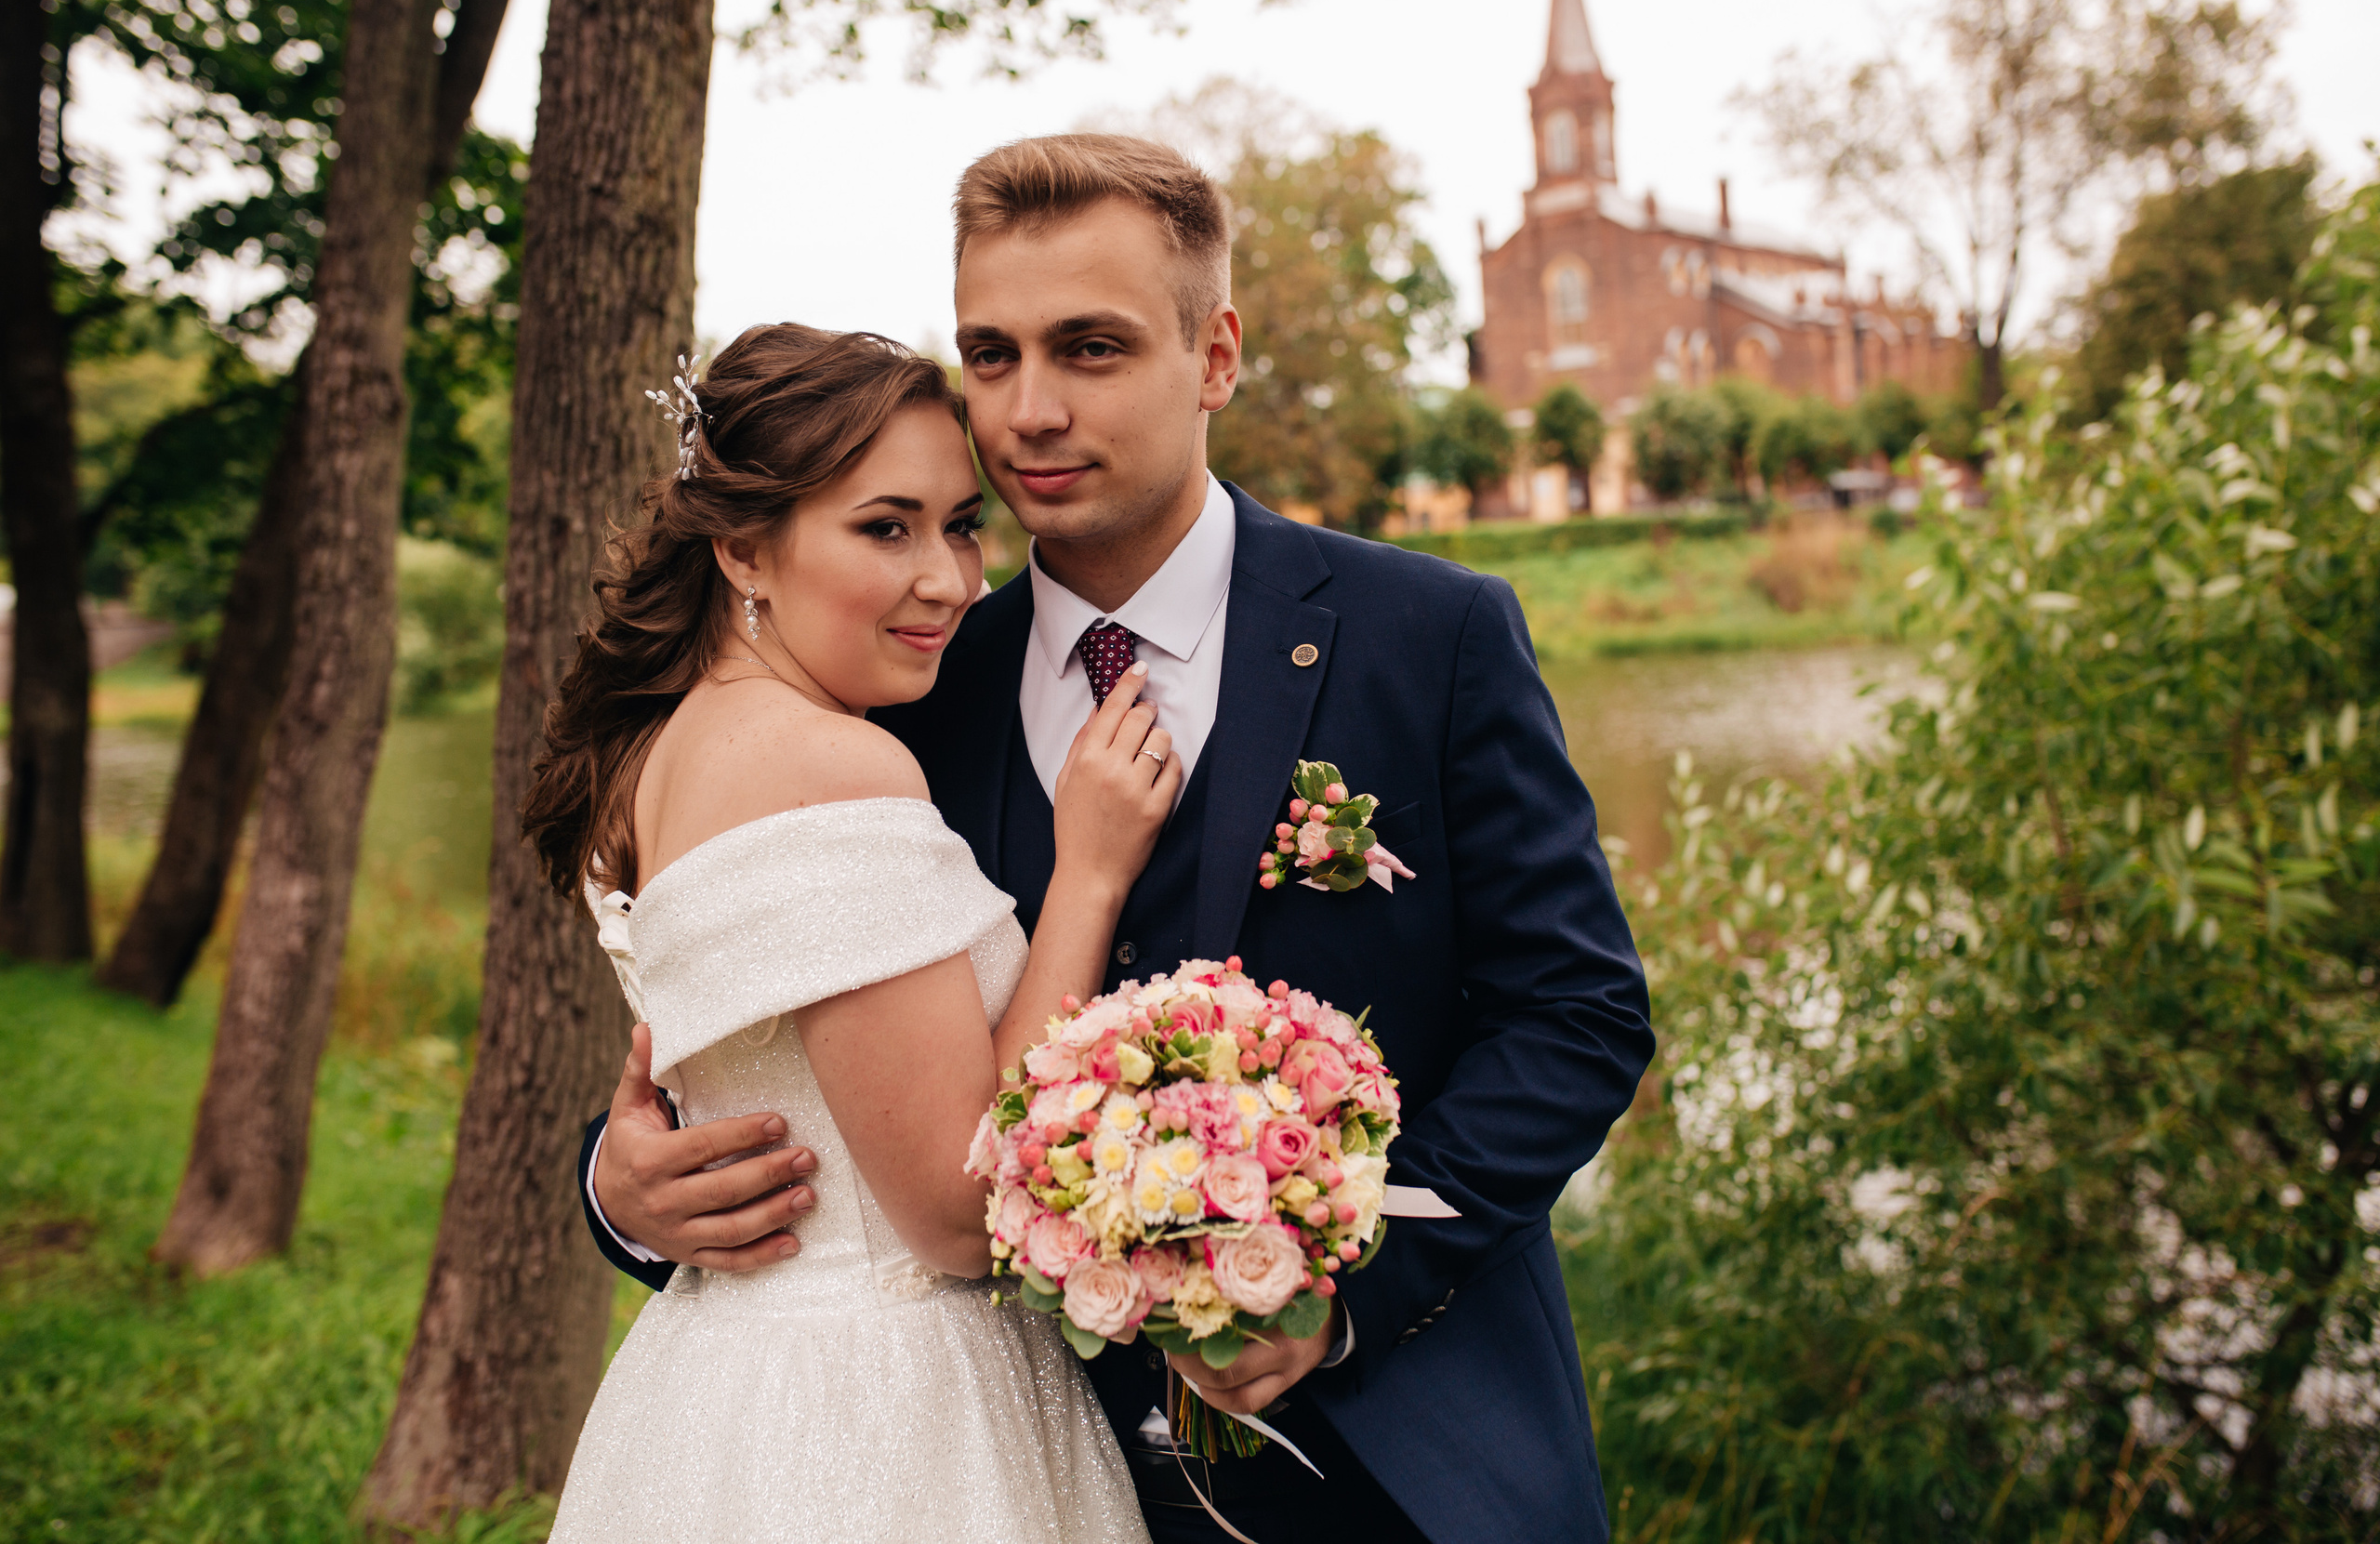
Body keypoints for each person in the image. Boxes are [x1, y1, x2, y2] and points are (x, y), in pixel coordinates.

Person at [585, 134, 1656, 1542]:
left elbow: (1575, 1016)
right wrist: (622, 1192)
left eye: (1090, 349)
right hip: (1019, 1465)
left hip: (1405, 1465)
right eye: (992, 353)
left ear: (1212, 356)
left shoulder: (1432, 635)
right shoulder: (903, 689)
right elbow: (779, 1045)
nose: (1030, 411)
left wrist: (1346, 1289)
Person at [528, 323, 1172, 1541]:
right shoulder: (831, 761)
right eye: (886, 528)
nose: (949, 579)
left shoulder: (655, 757)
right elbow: (954, 1209)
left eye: (961, 522)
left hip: (722, 1379)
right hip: (893, 1405)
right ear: (743, 549)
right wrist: (1088, 877)